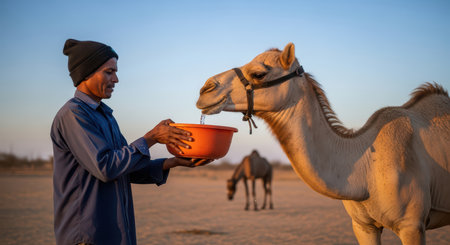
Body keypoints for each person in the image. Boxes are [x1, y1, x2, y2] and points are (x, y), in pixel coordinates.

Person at [51, 39, 211, 245]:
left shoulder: (106, 116)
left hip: (113, 234)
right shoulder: (73, 115)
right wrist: (151, 138)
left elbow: (125, 169)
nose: (116, 79)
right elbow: (106, 167)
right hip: (88, 236)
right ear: (86, 73)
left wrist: (174, 162)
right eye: (109, 72)